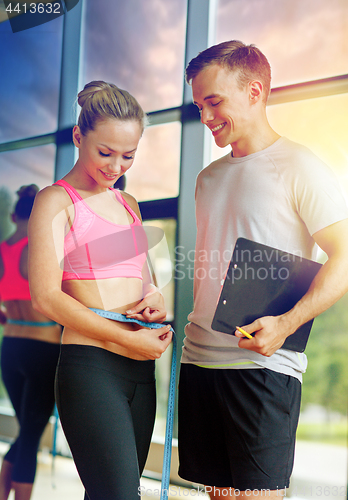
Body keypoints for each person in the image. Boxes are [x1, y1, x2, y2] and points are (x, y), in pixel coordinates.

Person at [178, 40, 348, 500]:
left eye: (214, 102)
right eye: (199, 105)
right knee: (220, 496)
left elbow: (345, 258)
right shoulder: (207, 179)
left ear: (254, 92)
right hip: (199, 360)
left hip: (263, 365)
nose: (206, 117)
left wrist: (287, 323)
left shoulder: (301, 167)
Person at [28, 81, 172, 500]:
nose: (115, 166)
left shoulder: (128, 205)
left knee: (123, 492)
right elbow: (46, 296)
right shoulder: (55, 201)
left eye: (128, 155)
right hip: (91, 369)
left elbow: (143, 276)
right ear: (78, 137)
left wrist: (154, 298)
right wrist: (124, 335)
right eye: (104, 152)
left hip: (140, 372)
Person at [0, 185, 61, 500]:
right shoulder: (39, 246)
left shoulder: (1, 249)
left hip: (10, 349)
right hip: (43, 348)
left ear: (13, 215)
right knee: (30, 433)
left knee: (27, 430)